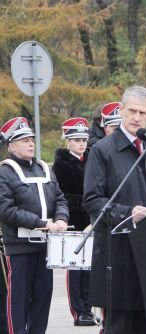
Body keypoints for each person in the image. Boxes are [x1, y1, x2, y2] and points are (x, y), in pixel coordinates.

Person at [83, 85, 146, 334]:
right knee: (119, 328)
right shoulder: (102, 151)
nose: (137, 117)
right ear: (121, 110)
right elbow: (92, 201)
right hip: (117, 258)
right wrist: (127, 213)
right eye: (132, 110)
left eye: (143, 112)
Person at [0, 117, 69, 334]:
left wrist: (61, 219)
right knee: (18, 301)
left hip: (45, 247)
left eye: (31, 139)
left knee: (42, 299)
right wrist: (40, 223)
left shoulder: (43, 169)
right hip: (19, 247)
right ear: (11, 145)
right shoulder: (4, 172)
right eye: (23, 140)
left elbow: (60, 199)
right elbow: (5, 209)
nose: (30, 143)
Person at [52, 117, 96, 326]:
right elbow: (60, 196)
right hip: (75, 221)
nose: (81, 143)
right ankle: (79, 310)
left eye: (84, 139)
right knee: (76, 269)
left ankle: (89, 307)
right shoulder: (61, 164)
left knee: (90, 268)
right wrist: (86, 204)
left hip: (92, 220)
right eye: (76, 139)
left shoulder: (92, 159)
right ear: (67, 141)